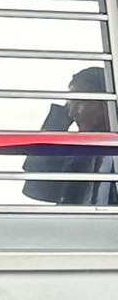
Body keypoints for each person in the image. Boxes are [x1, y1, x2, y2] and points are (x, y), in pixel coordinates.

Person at [23, 67, 115, 205]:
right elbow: (37, 188)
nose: (71, 113)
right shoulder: (80, 153)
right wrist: (57, 121)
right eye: (69, 104)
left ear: (106, 103)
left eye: (79, 102)